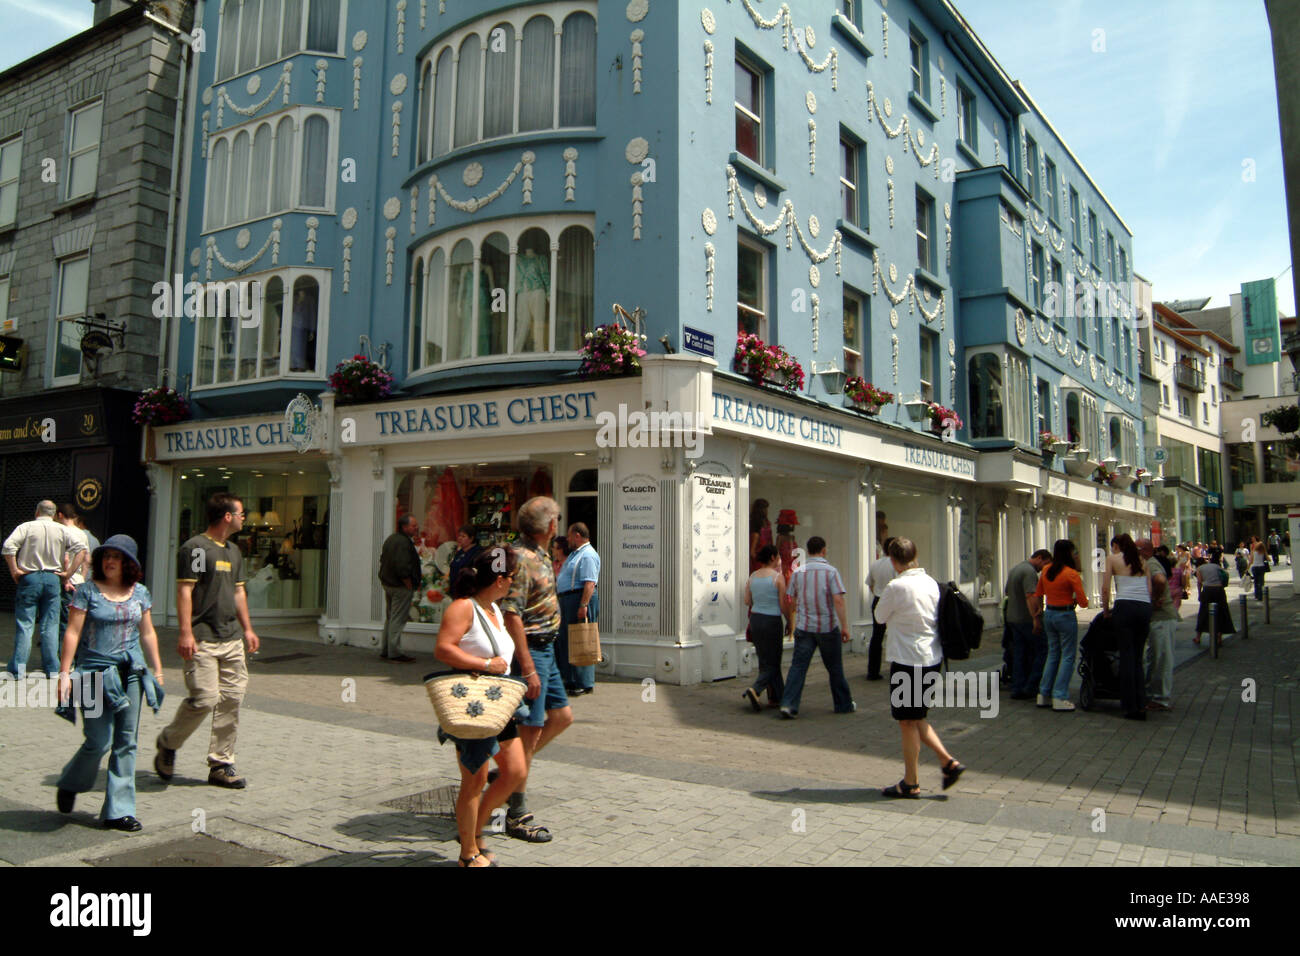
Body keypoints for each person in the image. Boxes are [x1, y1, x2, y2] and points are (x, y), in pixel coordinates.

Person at [55, 535, 164, 832]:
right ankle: (71, 782)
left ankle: (119, 811)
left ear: (129, 563)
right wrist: (65, 674)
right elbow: (73, 633)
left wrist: (157, 670)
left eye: (117, 556)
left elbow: (148, 633)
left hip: (130, 672)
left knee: (126, 741)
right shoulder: (87, 591)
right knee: (98, 740)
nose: (110, 561)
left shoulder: (140, 592)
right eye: (106, 556)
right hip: (92, 673)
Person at [154, 493, 260, 788]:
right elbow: (186, 591)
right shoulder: (197, 549)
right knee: (204, 698)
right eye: (241, 513)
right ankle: (168, 742)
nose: (243, 518)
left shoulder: (234, 551)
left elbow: (239, 593)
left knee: (231, 700)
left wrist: (248, 629)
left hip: (231, 638)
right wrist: (186, 632)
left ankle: (221, 764)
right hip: (203, 638)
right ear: (227, 516)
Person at [433, 546, 528, 867]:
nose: (514, 583)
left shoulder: (494, 610)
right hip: (472, 703)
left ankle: (473, 832)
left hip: (498, 705)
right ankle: (468, 853)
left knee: (515, 770)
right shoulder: (463, 608)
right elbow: (444, 649)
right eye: (512, 577)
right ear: (500, 579)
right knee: (474, 779)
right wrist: (485, 663)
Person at [875, 537, 965, 798]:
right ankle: (947, 763)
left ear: (893, 561)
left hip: (906, 659)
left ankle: (912, 781)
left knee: (906, 721)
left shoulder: (896, 586)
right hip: (931, 658)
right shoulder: (932, 584)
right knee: (916, 717)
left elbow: (879, 617)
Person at [498, 496, 564, 843]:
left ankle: (508, 774)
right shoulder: (522, 558)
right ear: (550, 525)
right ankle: (516, 813)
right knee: (529, 732)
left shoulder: (540, 553)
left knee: (562, 717)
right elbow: (512, 613)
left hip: (548, 650)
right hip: (533, 653)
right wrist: (527, 666)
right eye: (557, 519)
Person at [4, 500, 86, 678]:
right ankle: (52, 668)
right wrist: (68, 573)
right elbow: (81, 549)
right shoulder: (62, 530)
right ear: (55, 514)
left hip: (29, 576)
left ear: (37, 512)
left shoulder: (26, 527)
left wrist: (15, 571)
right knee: (51, 624)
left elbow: (8, 547)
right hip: (52, 578)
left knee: (25, 623)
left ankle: (18, 668)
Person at [778, 536, 855, 718]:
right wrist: (844, 626)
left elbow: (792, 601)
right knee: (835, 667)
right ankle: (843, 704)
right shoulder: (831, 572)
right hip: (827, 626)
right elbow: (838, 600)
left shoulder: (798, 572)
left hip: (804, 627)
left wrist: (791, 622)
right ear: (824, 550)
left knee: (798, 667)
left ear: (808, 549)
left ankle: (788, 704)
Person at [1030, 539, 1088, 711]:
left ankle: (1044, 693)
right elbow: (1084, 602)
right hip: (1065, 614)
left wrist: (1037, 614)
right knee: (1068, 655)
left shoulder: (1046, 570)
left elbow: (1038, 593)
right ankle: (1060, 695)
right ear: (1069, 553)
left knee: (1053, 653)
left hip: (1050, 614)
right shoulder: (1071, 573)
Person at [1102, 533, 1152, 721]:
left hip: (1125, 607)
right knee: (1138, 658)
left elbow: (1105, 588)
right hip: (1144, 607)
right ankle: (1141, 703)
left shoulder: (1113, 559)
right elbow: (1149, 589)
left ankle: (1130, 706)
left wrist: (1106, 611)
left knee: (1127, 656)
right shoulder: (1142, 561)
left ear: (1116, 546)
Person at [743, 544, 791, 710]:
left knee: (764, 660)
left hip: (756, 619)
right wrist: (790, 621)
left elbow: (747, 601)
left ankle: (776, 697)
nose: (779, 560)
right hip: (772, 620)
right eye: (778, 556)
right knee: (774, 661)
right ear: (772, 557)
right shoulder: (777, 578)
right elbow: (783, 603)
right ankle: (755, 689)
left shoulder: (752, 576)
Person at [555, 522, 600, 696]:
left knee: (582, 638)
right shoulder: (576, 554)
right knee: (569, 639)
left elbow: (589, 583)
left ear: (578, 536)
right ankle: (571, 678)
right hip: (569, 599)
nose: (567, 539)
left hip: (579, 598)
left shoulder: (588, 555)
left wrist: (583, 605)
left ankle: (584, 681)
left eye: (569, 535)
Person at [1006, 549, 1052, 700]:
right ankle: (1031, 686)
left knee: (1020, 653)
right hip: (1026, 619)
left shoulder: (1016, 569)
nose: (1044, 568)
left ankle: (1017, 686)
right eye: (1045, 563)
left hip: (1013, 618)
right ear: (1039, 558)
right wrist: (1036, 619)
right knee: (1042, 649)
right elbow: (1030, 596)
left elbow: (1007, 592)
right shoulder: (1029, 572)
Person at [377, 515, 421, 663]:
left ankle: (386, 649)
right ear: (404, 527)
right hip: (400, 586)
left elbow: (383, 560)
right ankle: (394, 652)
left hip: (389, 583)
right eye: (413, 525)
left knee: (390, 617)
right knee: (397, 618)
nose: (416, 528)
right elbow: (402, 566)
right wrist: (408, 583)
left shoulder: (392, 539)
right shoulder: (403, 543)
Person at [1139, 539, 1176, 712]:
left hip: (1161, 617)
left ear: (1142, 551)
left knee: (1160, 656)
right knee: (1156, 655)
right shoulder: (1149, 563)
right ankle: (1156, 694)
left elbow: (1160, 581)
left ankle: (1160, 697)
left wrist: (1155, 599)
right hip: (1158, 617)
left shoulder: (1151, 564)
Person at [54, 504, 92, 643]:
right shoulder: (82, 533)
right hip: (79, 582)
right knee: (77, 621)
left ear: (60, 515)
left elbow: (65, 558)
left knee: (63, 621)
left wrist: (67, 576)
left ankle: (63, 657)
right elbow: (87, 559)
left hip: (65, 582)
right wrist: (82, 576)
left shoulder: (61, 531)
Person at [865, 537, 898, 681]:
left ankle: (872, 671)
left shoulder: (876, 564)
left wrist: (877, 593)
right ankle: (896, 670)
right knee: (896, 635)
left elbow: (870, 584)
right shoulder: (895, 565)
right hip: (893, 600)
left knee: (876, 637)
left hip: (878, 599)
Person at [1193, 556, 1235, 647]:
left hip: (1208, 590)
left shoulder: (1199, 569)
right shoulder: (1215, 566)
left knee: (1203, 612)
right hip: (1219, 589)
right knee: (1221, 612)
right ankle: (1219, 637)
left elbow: (1200, 582)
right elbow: (1225, 574)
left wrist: (1200, 594)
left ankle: (1198, 637)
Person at [749, 499, 772, 574]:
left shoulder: (767, 523)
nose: (766, 511)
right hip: (760, 563)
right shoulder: (756, 527)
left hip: (768, 559)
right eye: (764, 508)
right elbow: (752, 552)